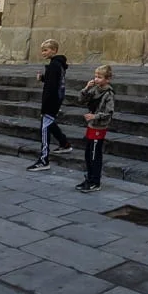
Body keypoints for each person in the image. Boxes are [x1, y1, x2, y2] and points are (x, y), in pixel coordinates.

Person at [26, 39, 72, 172]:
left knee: (44, 128)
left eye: (45, 50)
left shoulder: (54, 66)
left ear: (54, 50)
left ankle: (44, 160)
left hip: (51, 102)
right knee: (49, 124)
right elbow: (53, 82)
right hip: (56, 100)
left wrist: (44, 108)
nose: (43, 53)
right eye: (42, 50)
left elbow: (51, 88)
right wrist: (43, 78)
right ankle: (64, 143)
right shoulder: (58, 65)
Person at [76, 65, 115, 192]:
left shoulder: (108, 94)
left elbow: (109, 113)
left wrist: (95, 116)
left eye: (99, 77)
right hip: (91, 126)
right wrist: (87, 88)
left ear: (107, 79)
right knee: (88, 154)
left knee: (94, 155)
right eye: (95, 76)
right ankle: (89, 178)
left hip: (99, 127)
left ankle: (95, 181)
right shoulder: (95, 89)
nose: (96, 79)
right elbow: (81, 99)